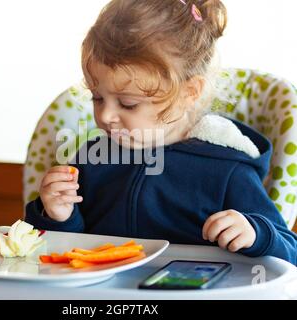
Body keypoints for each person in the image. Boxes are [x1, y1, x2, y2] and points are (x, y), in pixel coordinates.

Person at [25, 0, 297, 265]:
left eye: (128, 103)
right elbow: (53, 253)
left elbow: (290, 254)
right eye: (97, 98)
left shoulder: (227, 170)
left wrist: (255, 233)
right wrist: (57, 216)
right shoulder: (93, 159)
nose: (105, 116)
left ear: (190, 92)